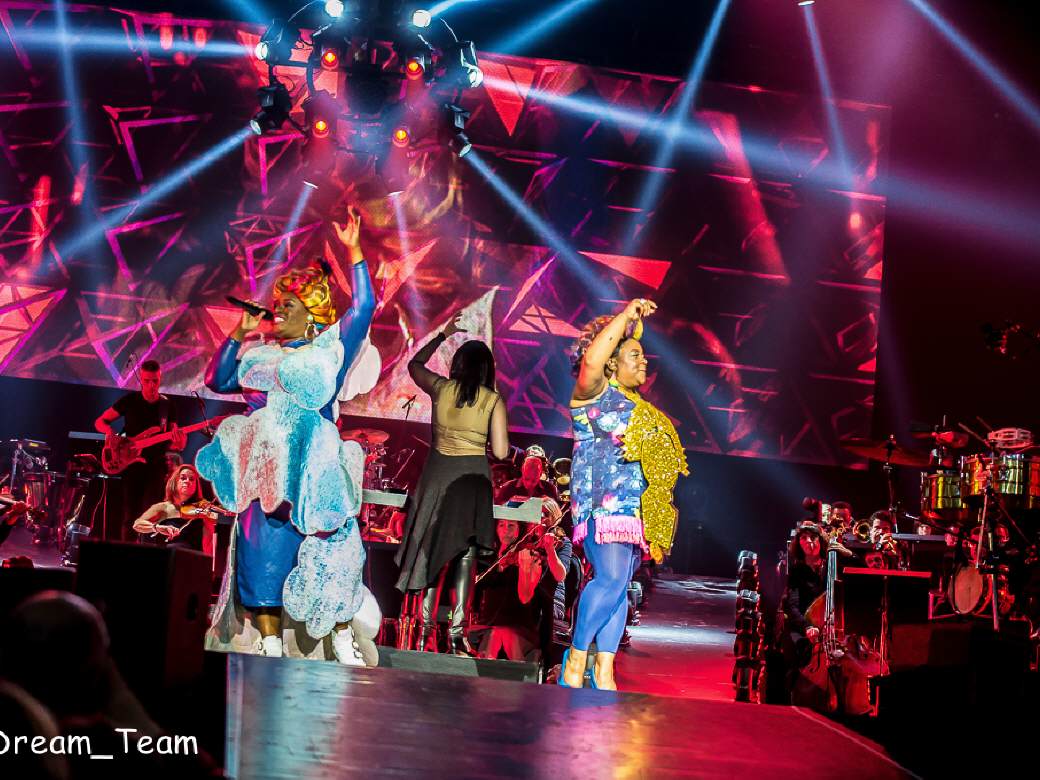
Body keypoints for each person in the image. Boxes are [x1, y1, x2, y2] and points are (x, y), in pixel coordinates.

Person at [197, 207, 380, 665]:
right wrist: (238, 334)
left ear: (312, 316)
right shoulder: (260, 357)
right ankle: (269, 640)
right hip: (267, 475)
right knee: (263, 553)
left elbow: (363, 309)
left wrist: (355, 251)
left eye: (288, 306)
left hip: (315, 473)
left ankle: (341, 637)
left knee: (332, 553)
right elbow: (218, 380)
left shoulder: (328, 352)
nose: (278, 311)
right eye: (277, 304)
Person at [558, 298, 688, 690]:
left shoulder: (639, 406)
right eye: (634, 355)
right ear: (612, 362)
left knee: (620, 588)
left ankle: (604, 669)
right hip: (603, 506)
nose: (644, 361)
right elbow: (592, 361)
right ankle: (575, 657)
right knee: (611, 578)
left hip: (635, 512)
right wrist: (626, 317)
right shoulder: (593, 393)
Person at [394, 313, 510, 655]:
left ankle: (424, 632)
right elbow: (501, 452)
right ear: (487, 370)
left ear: (457, 365)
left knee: (432, 551)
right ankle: (457, 634)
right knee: (465, 555)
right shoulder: (492, 400)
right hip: (472, 480)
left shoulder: (441, 388)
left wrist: (442, 334)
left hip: (437, 476)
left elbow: (414, 364)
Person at [95, 360, 187, 541]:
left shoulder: (167, 406)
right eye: (147, 381)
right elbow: (100, 421)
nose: (151, 385)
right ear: (141, 380)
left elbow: (177, 444)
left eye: (155, 381)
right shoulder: (129, 401)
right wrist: (110, 433)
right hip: (131, 466)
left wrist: (180, 441)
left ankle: (146, 553)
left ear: (160, 379)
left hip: (155, 466)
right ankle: (127, 553)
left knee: (152, 515)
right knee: (130, 515)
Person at [477, 517, 566, 662]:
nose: (506, 530)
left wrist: (524, 568)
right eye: (501, 525)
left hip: (521, 629)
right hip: (488, 625)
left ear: (520, 529)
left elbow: (525, 597)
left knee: (500, 634)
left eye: (511, 525)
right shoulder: (489, 556)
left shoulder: (530, 556)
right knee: (494, 634)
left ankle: (513, 670)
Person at [132, 464, 219, 554]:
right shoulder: (163, 507)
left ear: (196, 486)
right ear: (174, 482)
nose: (187, 481)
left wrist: (209, 523)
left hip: (192, 557)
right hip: (167, 555)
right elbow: (137, 524)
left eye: (192, 479)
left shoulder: (202, 509)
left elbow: (208, 547)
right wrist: (156, 527)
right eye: (183, 478)